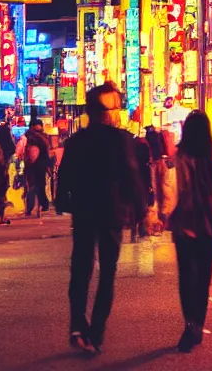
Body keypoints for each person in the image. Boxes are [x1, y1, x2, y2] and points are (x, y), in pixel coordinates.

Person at [56, 83, 146, 354]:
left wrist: (64, 203)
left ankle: (77, 325)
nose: (118, 112)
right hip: (112, 213)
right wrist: (142, 211)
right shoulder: (121, 140)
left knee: (81, 270)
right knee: (107, 274)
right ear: (107, 111)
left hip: (85, 212)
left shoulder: (76, 141)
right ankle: (96, 333)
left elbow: (65, 177)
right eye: (116, 107)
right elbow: (132, 174)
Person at [160, 111, 212, 353]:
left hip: (184, 223)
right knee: (202, 279)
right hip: (209, 223)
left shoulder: (179, 157)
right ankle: (196, 324)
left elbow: (169, 187)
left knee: (187, 277)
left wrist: (164, 215)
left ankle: (191, 323)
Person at [20, 119, 51, 217]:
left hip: (34, 164)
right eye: (38, 125)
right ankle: (36, 206)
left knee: (34, 186)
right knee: (35, 186)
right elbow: (46, 152)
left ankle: (34, 207)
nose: (39, 126)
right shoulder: (37, 137)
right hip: (36, 164)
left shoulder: (30, 136)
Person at [0, 147, 9, 225]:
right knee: (1, 198)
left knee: (1, 199)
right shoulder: (1, 158)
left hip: (0, 180)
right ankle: (1, 217)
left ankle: (1, 217)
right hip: (0, 180)